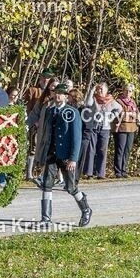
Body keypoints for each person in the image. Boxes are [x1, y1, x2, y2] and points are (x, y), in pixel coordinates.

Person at [35, 83, 91, 227]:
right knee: (46, 185)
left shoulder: (72, 112)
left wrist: (73, 158)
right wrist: (41, 154)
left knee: (70, 187)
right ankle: (45, 218)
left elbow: (76, 137)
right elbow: (45, 134)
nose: (58, 95)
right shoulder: (49, 111)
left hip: (66, 155)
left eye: (61, 93)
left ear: (66, 97)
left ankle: (86, 209)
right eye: (56, 93)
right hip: (51, 154)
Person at [81, 82, 120, 179]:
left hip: (104, 128)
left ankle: (100, 173)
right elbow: (87, 104)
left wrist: (111, 117)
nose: (99, 91)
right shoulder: (93, 98)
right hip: (93, 127)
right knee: (91, 150)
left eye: (101, 89)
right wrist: (92, 91)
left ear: (106, 90)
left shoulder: (111, 101)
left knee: (102, 150)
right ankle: (89, 173)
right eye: (98, 89)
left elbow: (119, 108)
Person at [112, 83, 139, 178]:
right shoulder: (118, 101)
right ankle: (118, 171)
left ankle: (124, 170)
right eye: (126, 90)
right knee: (120, 150)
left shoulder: (133, 102)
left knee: (127, 150)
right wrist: (130, 115)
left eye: (130, 91)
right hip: (121, 128)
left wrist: (133, 115)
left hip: (132, 128)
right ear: (123, 91)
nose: (128, 93)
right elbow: (119, 115)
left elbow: (138, 115)